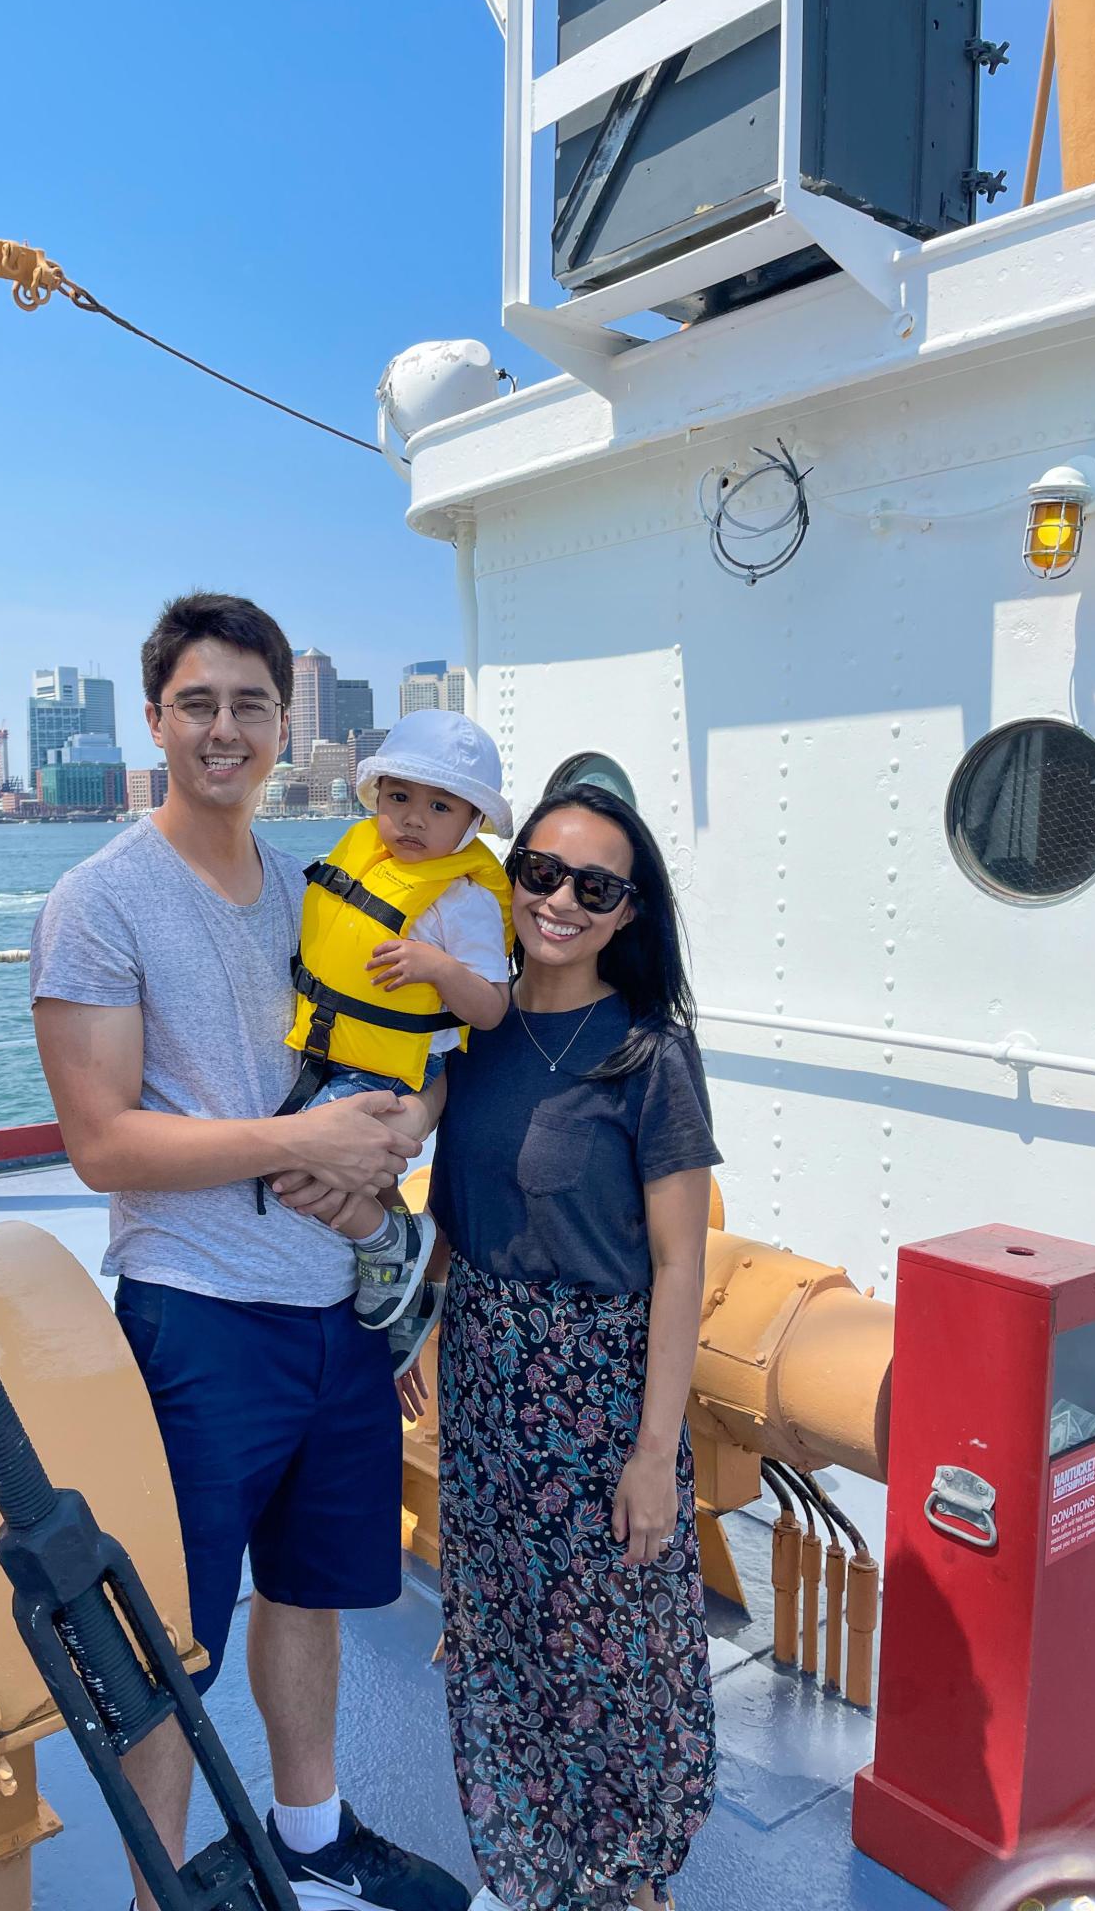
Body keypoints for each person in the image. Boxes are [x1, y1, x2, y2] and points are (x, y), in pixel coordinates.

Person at [31, 592, 468, 1911]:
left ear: (285, 724)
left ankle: (313, 1827)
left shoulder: (320, 883)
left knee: (315, 1590)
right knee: (171, 1639)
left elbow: (413, 1062)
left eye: (251, 705)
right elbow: (104, 1144)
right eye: (199, 704)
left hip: (337, 1309)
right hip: (197, 1316)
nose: (226, 730)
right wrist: (312, 1148)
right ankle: (165, 1887)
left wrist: (385, 1147)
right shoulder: (97, 902)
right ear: (156, 717)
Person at [400, 783, 721, 1911]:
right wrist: (411, 1325)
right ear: (508, 875)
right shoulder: (474, 1040)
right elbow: (451, 1217)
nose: (560, 901)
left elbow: (680, 1265)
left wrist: (652, 1453)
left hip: (599, 1392)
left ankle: (631, 1884)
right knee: (501, 1637)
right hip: (487, 1379)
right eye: (540, 872)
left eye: (596, 887)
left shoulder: (648, 1057)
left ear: (630, 912)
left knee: (616, 1654)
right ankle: (538, 1873)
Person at [280, 707, 513, 1348]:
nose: (413, 817)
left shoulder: (461, 902)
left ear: (472, 823)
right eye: (400, 796)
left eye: (442, 807)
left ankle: (389, 1243)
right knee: (326, 1162)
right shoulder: (363, 863)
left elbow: (491, 1008)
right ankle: (405, 1290)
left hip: (394, 1064)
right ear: (376, 796)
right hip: (339, 1050)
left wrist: (438, 967)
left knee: (294, 1167)